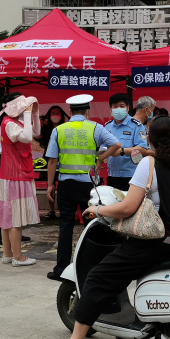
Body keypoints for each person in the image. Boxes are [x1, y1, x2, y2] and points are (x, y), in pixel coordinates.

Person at [41, 116, 170, 339]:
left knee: (98, 277)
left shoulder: (149, 164)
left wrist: (98, 210)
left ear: (149, 139)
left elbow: (126, 209)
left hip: (155, 245)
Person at [46, 94, 120, 281]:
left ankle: (61, 269)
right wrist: (100, 159)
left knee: (65, 227)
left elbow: (52, 160)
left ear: (70, 111)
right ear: (88, 111)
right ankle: (90, 269)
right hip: (88, 185)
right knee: (90, 226)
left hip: (66, 184)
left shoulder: (59, 130)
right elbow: (116, 145)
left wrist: (49, 185)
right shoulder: (95, 128)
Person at [0, 94, 41, 267]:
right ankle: (18, 256)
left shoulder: (12, 122)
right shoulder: (9, 123)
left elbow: (35, 132)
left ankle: (8, 254)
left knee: (9, 217)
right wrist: (29, 114)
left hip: (12, 175)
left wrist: (34, 114)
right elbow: (28, 138)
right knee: (16, 218)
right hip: (16, 175)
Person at [0, 92, 30, 245]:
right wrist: (28, 115)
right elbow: (27, 137)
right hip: (8, 161)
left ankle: (9, 241)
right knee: (12, 206)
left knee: (9, 204)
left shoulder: (6, 119)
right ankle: (7, 241)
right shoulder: (6, 121)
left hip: (8, 161)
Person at [104, 93, 153, 191]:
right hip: (112, 175)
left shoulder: (136, 126)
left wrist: (122, 151)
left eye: (122, 106)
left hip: (131, 176)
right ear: (110, 109)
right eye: (115, 106)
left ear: (127, 108)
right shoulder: (107, 126)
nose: (118, 109)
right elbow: (103, 148)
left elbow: (143, 148)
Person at [40, 105, 69, 219]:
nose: (55, 116)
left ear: (62, 116)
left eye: (57, 113)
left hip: (63, 158)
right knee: (50, 184)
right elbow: (38, 137)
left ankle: (63, 210)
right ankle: (52, 210)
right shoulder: (46, 129)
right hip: (49, 158)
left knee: (62, 185)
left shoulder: (66, 128)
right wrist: (40, 124)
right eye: (53, 113)